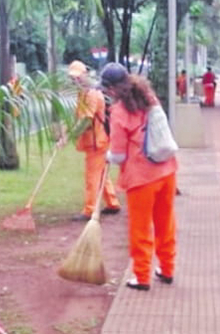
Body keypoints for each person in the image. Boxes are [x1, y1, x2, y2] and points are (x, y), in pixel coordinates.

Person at [101, 62, 178, 291]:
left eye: (107, 89)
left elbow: (118, 155)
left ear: (113, 89)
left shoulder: (119, 112)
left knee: (140, 227)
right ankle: (167, 268)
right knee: (166, 223)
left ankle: (142, 276)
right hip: (167, 170)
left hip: (141, 178)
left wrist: (107, 156)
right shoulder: (149, 98)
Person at [66, 60, 121, 222]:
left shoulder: (91, 94)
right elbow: (79, 117)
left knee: (92, 176)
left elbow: (86, 120)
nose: (75, 80)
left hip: (98, 141)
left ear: (84, 75)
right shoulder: (84, 93)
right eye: (73, 78)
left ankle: (89, 210)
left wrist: (70, 135)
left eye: (77, 77)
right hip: (96, 140)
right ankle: (113, 203)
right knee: (102, 173)